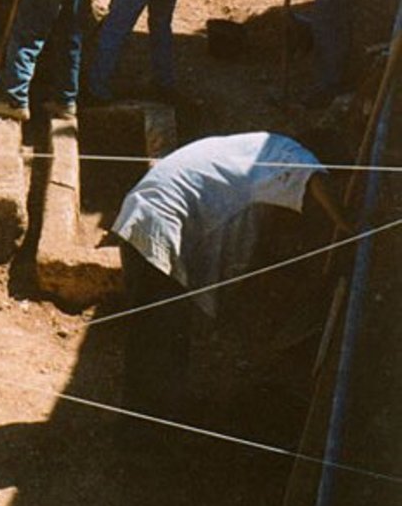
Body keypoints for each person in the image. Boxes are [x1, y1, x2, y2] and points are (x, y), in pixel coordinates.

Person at [112, 131, 350, 416]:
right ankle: (143, 431)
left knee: (163, 329)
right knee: (156, 332)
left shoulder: (259, 149)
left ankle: (165, 411)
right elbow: (316, 178)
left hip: (143, 210)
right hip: (159, 219)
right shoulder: (295, 155)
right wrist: (351, 225)